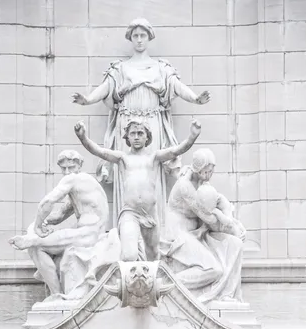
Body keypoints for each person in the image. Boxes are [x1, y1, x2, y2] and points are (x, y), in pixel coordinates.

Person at [72, 17, 211, 225]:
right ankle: (126, 228)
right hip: (126, 125)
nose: (139, 40)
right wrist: (87, 100)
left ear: (149, 37)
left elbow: (177, 86)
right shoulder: (120, 68)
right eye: (135, 35)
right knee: (128, 172)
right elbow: (104, 90)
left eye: (142, 35)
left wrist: (195, 99)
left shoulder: (160, 68)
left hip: (152, 124)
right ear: (130, 38)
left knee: (151, 171)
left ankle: (156, 230)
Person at [74, 118, 201, 262]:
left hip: (150, 214)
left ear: (147, 136)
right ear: (127, 136)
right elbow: (100, 152)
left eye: (140, 133)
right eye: (133, 133)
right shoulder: (123, 158)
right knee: (129, 255)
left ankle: (149, 283)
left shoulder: (154, 157)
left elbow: (176, 150)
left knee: (153, 255)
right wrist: (82, 137)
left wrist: (192, 136)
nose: (136, 137)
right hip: (130, 213)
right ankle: (125, 279)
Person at [9, 150, 119, 301]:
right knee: (37, 241)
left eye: (71, 167)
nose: (68, 172)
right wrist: (43, 224)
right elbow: (59, 215)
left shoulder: (74, 180)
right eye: (64, 168)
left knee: (36, 245)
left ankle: (57, 295)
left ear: (79, 166)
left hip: (89, 234)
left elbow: (46, 203)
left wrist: (37, 227)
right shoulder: (82, 187)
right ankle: (57, 292)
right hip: (83, 233)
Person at [162, 148, 245, 303]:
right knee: (213, 269)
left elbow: (219, 202)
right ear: (197, 169)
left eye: (210, 172)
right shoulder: (185, 186)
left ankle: (226, 294)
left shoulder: (201, 183)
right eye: (206, 172)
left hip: (198, 233)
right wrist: (231, 226)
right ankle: (164, 285)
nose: (208, 176)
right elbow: (209, 217)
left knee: (235, 244)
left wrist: (233, 223)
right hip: (178, 236)